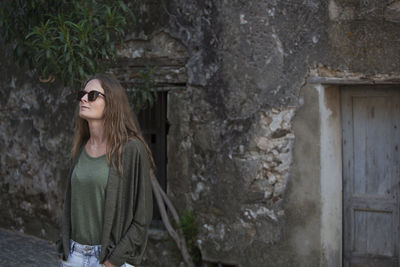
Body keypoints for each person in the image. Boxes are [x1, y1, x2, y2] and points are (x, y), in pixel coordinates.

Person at [57, 73, 154, 267]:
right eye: (82, 94)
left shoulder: (131, 149)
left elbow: (142, 218)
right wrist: (63, 248)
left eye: (92, 95)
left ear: (111, 102)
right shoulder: (80, 148)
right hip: (74, 256)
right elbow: (70, 206)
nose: (83, 99)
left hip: (108, 258)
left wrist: (113, 261)